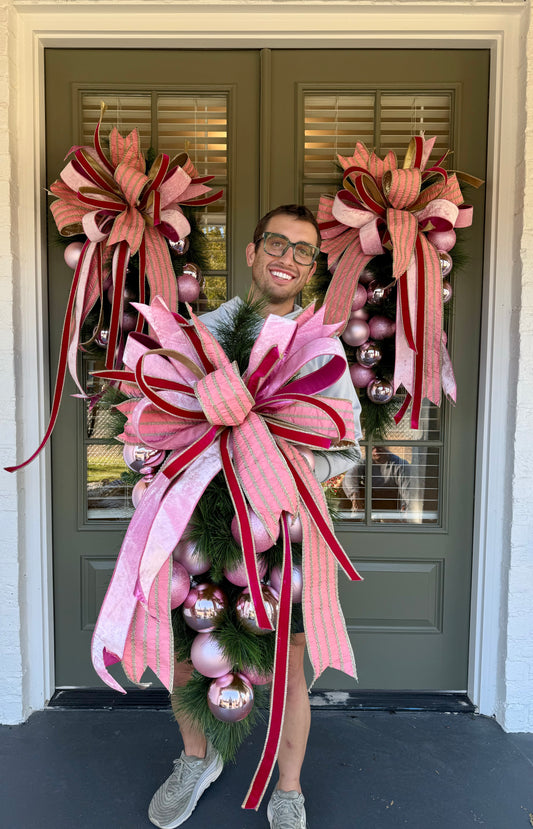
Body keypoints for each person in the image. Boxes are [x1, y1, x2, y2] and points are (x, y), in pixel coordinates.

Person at [148, 204, 362, 829]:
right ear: (249, 251)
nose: (287, 257)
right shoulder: (199, 332)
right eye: (277, 242)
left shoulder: (321, 348)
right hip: (202, 526)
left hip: (283, 527)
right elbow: (159, 422)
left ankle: (288, 786)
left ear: (312, 269)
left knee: (291, 659)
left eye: (303, 250)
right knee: (188, 645)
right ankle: (196, 759)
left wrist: (284, 477)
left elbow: (346, 445)